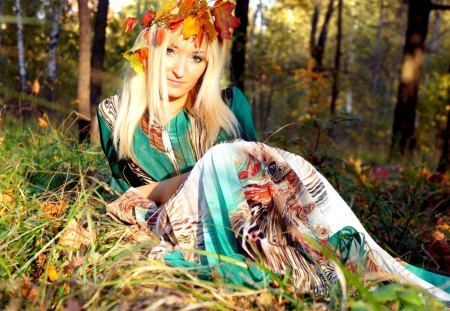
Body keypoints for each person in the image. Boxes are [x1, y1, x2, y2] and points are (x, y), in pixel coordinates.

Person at [98, 0, 450, 301]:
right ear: (150, 49)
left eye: (196, 57)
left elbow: (258, 180)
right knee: (222, 159)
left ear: (208, 65)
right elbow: (126, 196)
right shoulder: (115, 116)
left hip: (255, 219)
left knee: (233, 158)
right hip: (185, 221)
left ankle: (373, 265)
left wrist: (179, 180)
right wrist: (180, 184)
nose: (179, 68)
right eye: (170, 50)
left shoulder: (229, 105)